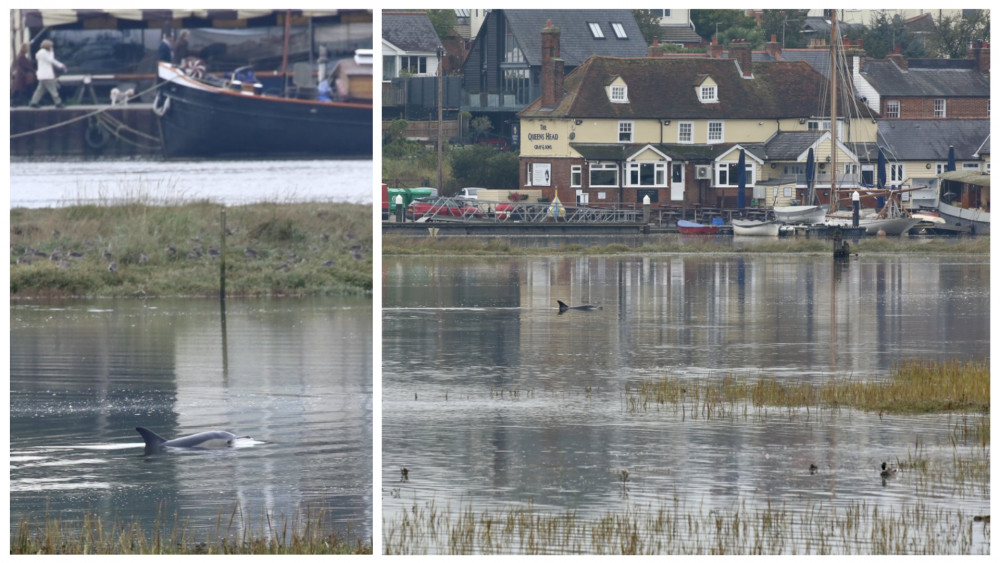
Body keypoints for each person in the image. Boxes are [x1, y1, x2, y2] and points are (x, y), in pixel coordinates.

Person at [28, 39, 66, 108]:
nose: (52, 47)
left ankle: (34, 102)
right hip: (47, 75)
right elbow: (51, 60)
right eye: (51, 46)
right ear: (48, 46)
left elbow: (50, 60)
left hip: (42, 75)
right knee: (53, 90)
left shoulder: (40, 53)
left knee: (40, 90)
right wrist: (60, 65)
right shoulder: (44, 53)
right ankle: (58, 103)